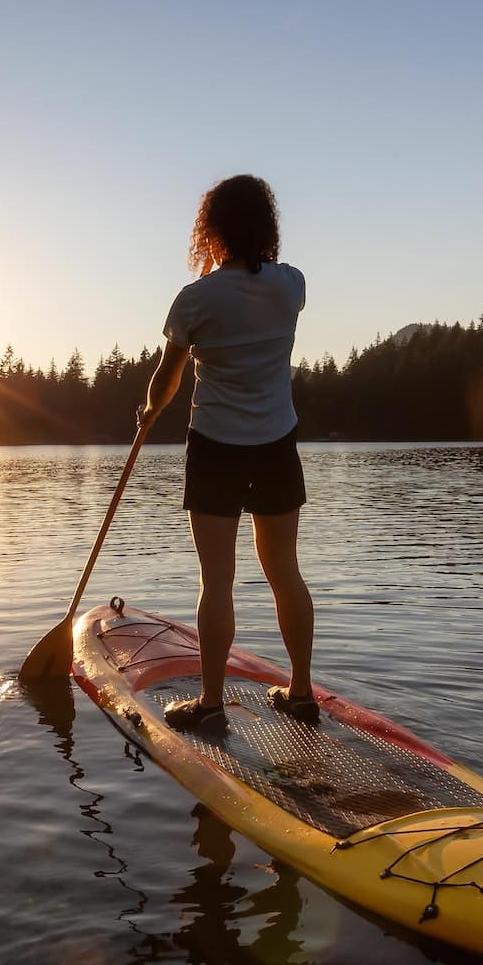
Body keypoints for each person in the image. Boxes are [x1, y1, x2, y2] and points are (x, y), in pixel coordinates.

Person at [137, 174, 316, 732]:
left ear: (210, 230)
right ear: (265, 226)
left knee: (216, 580)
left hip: (215, 448)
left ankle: (211, 705)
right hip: (276, 445)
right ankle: (302, 691)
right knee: (285, 572)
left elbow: (167, 378)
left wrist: (148, 412)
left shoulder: (196, 299)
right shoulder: (291, 286)